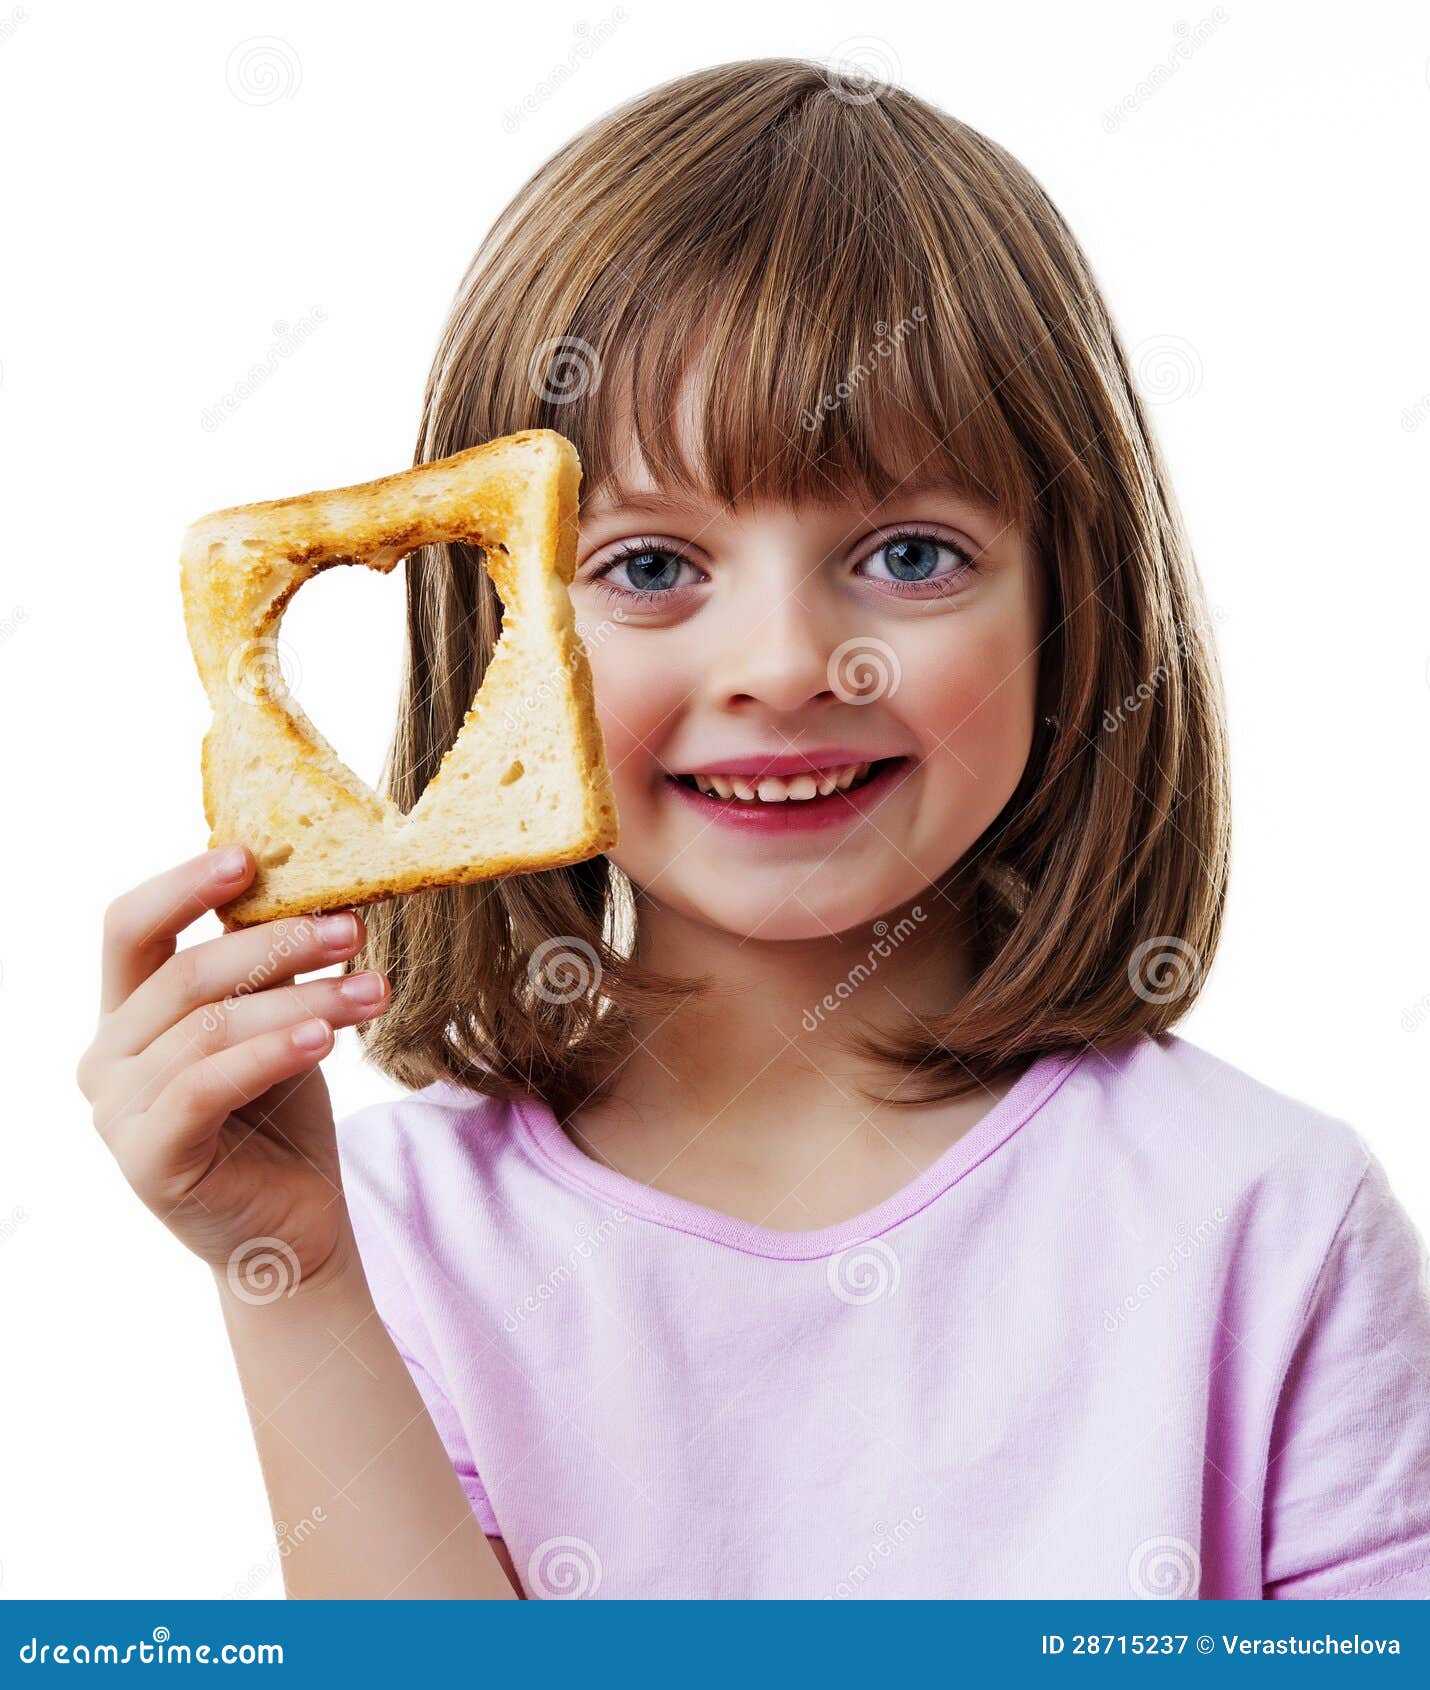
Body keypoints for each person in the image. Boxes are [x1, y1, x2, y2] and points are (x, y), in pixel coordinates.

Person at [77, 59, 1430, 1599]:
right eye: (650, 567)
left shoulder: (1270, 1218)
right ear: (497, 633)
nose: (786, 665)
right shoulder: (380, 1231)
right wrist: (300, 1284)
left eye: (908, 554)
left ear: (1073, 605)